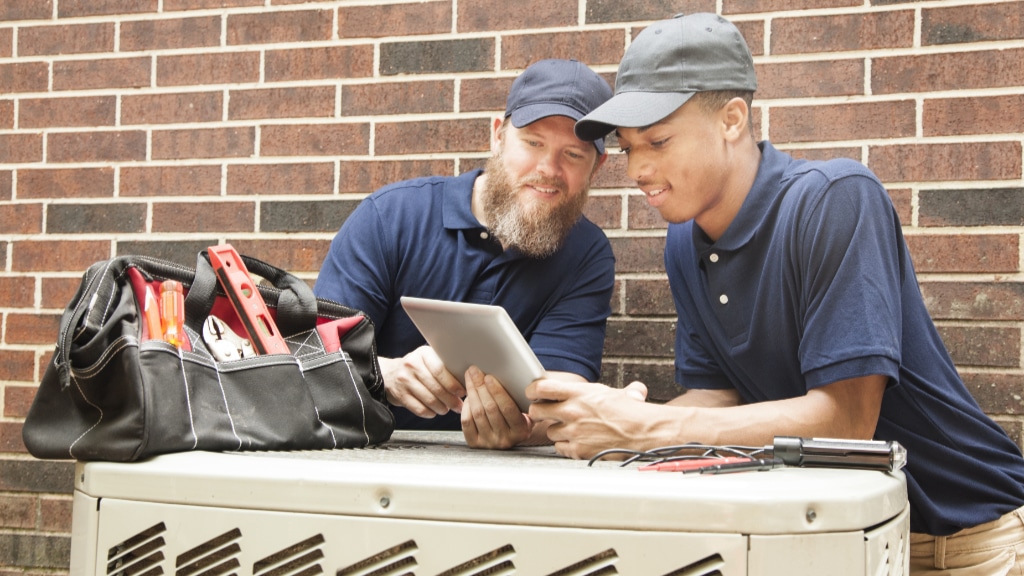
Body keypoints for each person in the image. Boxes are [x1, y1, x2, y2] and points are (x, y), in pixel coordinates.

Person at [530, 13, 1024, 575]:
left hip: (970, 544)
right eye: (627, 149)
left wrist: (651, 431)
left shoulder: (836, 199)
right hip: (841, 542)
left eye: (659, 141)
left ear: (732, 119)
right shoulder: (683, 242)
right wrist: (608, 417)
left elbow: (847, 419)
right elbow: (718, 397)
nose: (639, 169)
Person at [314, 59, 615, 450]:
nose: (548, 168)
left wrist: (525, 429)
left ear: (597, 167)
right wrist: (381, 374)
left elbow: (563, 391)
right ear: (498, 136)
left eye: (573, 154)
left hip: (499, 477)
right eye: (533, 142)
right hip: (360, 450)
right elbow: (312, 350)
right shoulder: (391, 217)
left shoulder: (587, 254)